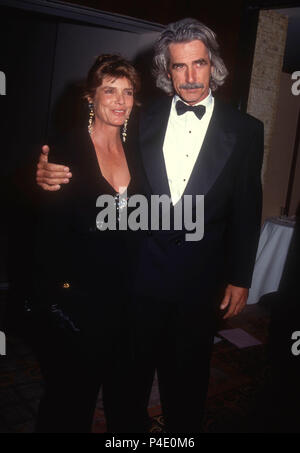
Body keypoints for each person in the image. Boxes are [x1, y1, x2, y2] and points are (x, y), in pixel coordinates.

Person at [36, 18, 264, 433]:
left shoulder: (247, 130)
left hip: (201, 283)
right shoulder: (142, 119)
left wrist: (240, 276)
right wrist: (44, 173)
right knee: (127, 385)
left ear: (213, 64)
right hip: (137, 280)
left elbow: (248, 207)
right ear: (167, 69)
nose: (190, 76)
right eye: (179, 66)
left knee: (187, 385)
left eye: (198, 63)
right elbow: (92, 149)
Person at [30, 54, 144, 433]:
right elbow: (44, 233)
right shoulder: (63, 150)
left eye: (127, 92)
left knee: (126, 402)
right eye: (109, 90)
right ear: (89, 98)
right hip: (77, 306)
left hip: (126, 303)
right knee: (68, 403)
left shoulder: (140, 152)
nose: (119, 100)